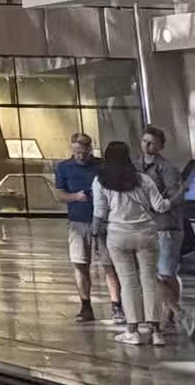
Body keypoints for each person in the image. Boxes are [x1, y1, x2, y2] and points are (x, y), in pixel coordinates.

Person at [93, 139, 171, 347]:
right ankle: (156, 333)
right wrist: (173, 199)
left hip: (117, 235)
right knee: (150, 280)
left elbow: (99, 213)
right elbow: (160, 206)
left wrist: (94, 235)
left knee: (128, 282)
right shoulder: (143, 179)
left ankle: (132, 331)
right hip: (146, 233)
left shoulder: (101, 181)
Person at [56, 132, 125, 325]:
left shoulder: (101, 166)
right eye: (76, 152)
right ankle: (86, 305)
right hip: (78, 222)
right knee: (80, 263)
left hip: (104, 223)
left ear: (89, 149)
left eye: (83, 152)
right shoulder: (63, 168)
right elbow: (59, 194)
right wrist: (75, 197)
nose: (80, 156)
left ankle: (117, 306)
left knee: (109, 265)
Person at [139, 125, 185, 331]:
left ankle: (172, 314)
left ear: (160, 146)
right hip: (147, 225)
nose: (147, 146)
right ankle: (169, 312)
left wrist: (159, 204)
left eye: (152, 143)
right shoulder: (136, 166)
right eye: (144, 141)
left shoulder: (166, 168)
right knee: (155, 273)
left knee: (166, 272)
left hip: (167, 225)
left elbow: (176, 196)